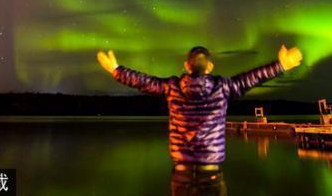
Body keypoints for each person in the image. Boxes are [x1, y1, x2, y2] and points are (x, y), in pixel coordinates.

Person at [97, 44, 303, 195]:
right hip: (211, 173)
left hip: (182, 174)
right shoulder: (223, 87)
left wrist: (116, 70)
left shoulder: (172, 87)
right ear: (210, 66)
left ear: (187, 65)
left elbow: (143, 82)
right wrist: (281, 65)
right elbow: (253, 77)